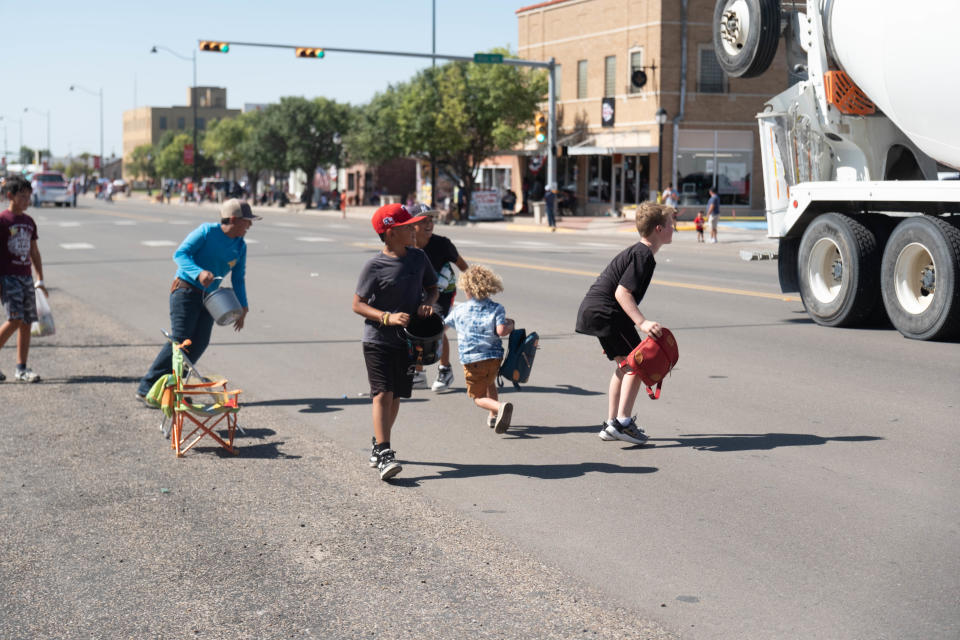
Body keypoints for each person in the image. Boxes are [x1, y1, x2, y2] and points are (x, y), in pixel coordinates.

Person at [574, 201, 676, 445]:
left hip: (601, 313)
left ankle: (612, 424)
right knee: (638, 364)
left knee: (625, 365)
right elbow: (622, 292)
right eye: (671, 224)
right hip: (608, 313)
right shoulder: (643, 255)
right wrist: (642, 322)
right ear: (659, 229)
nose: (675, 228)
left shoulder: (639, 252)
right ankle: (623, 422)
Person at [136, 199, 259, 399]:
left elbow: (238, 278)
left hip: (209, 298)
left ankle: (173, 388)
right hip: (185, 291)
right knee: (181, 342)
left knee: (199, 343)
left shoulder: (240, 245)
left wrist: (243, 306)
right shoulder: (206, 232)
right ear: (234, 220)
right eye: (247, 221)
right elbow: (180, 254)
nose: (250, 225)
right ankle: (147, 387)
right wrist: (198, 272)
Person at [352, 203, 438, 481]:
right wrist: (386, 317)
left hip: (408, 340)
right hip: (377, 339)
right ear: (389, 233)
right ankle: (385, 453)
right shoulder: (374, 266)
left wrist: (428, 303)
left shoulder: (418, 258)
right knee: (382, 393)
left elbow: (433, 288)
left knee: (397, 396)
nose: (413, 229)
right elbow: (358, 304)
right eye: (405, 226)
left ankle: (378, 444)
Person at [443, 265, 515, 434]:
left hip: (472, 360)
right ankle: (493, 415)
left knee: (478, 397)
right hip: (494, 358)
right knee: (490, 382)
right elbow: (501, 331)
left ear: (467, 288)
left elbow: (441, 329)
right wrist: (511, 324)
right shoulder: (497, 308)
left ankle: (499, 407)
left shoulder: (459, 310)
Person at [411, 205, 468, 391]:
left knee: (437, 327)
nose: (429, 224)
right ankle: (418, 374)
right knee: (414, 327)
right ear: (412, 225)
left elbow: (463, 266)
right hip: (419, 291)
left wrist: (474, 293)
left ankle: (445, 369)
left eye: (431, 221)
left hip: (442, 292)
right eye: (423, 221)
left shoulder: (442, 244)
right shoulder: (407, 245)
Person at [0, 176, 46, 382]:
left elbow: (34, 252)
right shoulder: (3, 220)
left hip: (26, 277)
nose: (27, 200)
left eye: (29, 196)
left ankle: (21, 368)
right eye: (22, 196)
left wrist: (40, 279)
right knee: (15, 319)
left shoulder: (29, 222)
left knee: (26, 322)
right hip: (7, 277)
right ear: (10, 196)